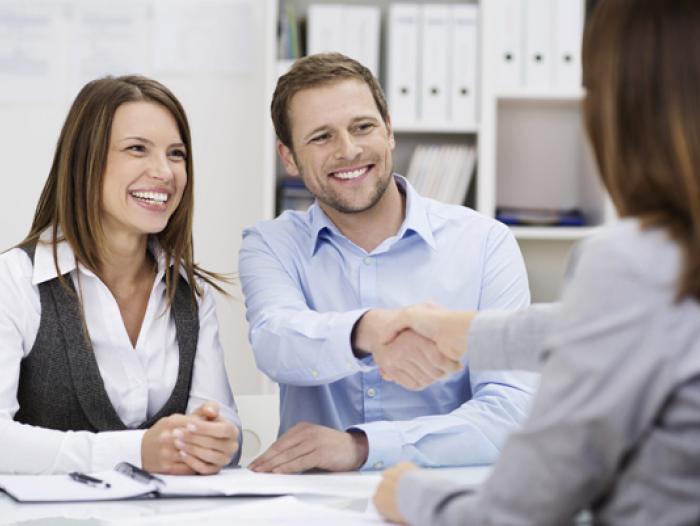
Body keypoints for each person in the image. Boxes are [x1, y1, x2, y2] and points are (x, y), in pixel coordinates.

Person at [372, 0, 700, 523]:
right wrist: (469, 331)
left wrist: (408, 494)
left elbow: (520, 511)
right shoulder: (664, 269)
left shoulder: (631, 261)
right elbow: (629, 327)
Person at [238, 53, 539, 474]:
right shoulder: (271, 244)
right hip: (316, 505)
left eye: (363, 127)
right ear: (288, 158)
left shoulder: (485, 243)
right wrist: (369, 330)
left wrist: (362, 447)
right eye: (322, 137)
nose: (349, 150)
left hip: (444, 501)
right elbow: (275, 342)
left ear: (389, 130)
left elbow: (511, 413)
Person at [0, 75, 241, 475]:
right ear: (85, 161)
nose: (164, 172)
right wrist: (134, 450)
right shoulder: (14, 281)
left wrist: (219, 442)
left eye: (176, 154)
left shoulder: (190, 295)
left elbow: (217, 422)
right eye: (137, 149)